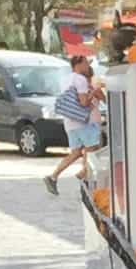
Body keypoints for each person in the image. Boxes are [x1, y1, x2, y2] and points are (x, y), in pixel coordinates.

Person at [44, 54, 102, 199]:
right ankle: (86, 183)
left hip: (70, 122)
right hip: (84, 122)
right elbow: (83, 103)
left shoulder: (66, 79)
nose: (88, 66)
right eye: (86, 64)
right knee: (91, 152)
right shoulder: (80, 79)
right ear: (79, 64)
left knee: (76, 152)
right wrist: (94, 92)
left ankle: (54, 176)